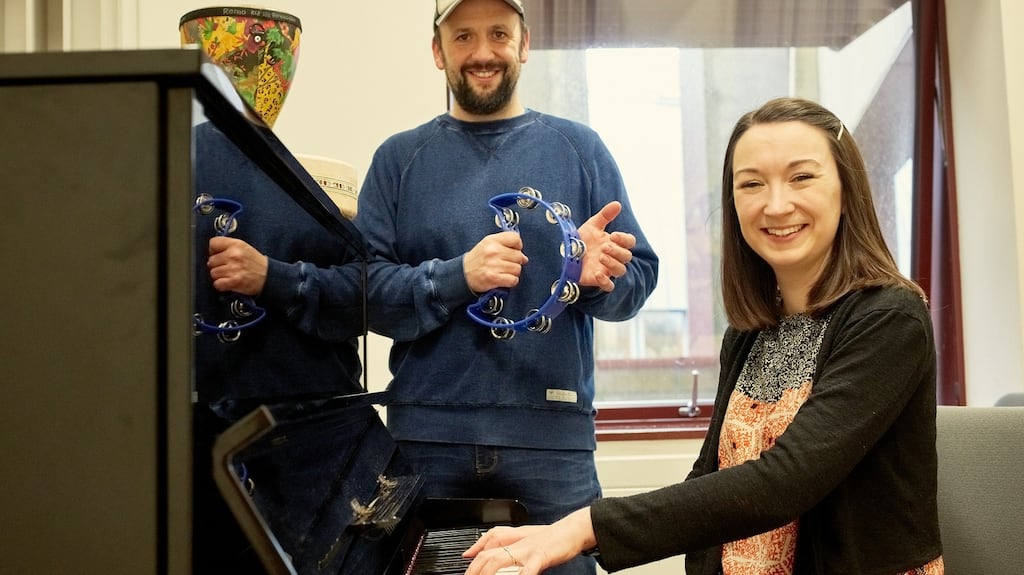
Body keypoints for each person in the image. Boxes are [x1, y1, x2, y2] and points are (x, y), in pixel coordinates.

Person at [463, 97, 945, 575]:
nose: (776, 205)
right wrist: (561, 534)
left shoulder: (890, 318)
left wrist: (580, 528)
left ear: (846, 187)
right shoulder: (750, 329)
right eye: (752, 183)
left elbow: (783, 483)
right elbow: (711, 479)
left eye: (802, 177)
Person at [353, 1, 659, 574]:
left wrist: (589, 282)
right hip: (426, 441)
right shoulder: (398, 160)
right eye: (463, 36)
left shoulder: (580, 149)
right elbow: (366, 293)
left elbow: (637, 280)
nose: (483, 52)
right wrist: (456, 277)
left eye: (499, 33)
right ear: (438, 50)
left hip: (553, 446)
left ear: (524, 44)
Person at [190, 79, 368, 572]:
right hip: (200, 443)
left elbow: (366, 297)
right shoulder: (159, 170)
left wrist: (271, 276)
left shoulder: (325, 187)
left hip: (308, 442)